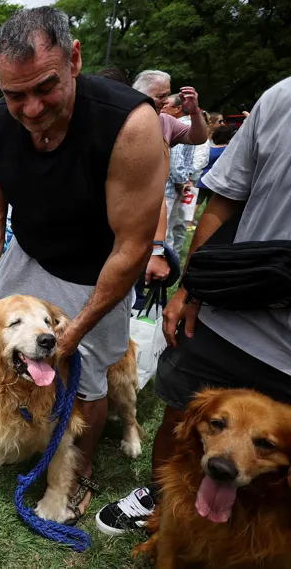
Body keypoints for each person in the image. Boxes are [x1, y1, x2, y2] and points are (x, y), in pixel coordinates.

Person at [0, 7, 166, 522]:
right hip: (29, 252)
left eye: (45, 88)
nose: (31, 109)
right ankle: (12, 435)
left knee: (86, 380)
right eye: (16, 95)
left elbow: (132, 247)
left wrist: (73, 331)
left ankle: (76, 475)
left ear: (75, 59)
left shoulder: (131, 125)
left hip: (95, 268)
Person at [96, 76, 291, 535]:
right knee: (182, 413)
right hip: (230, 311)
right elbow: (224, 198)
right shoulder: (281, 97)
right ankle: (161, 496)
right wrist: (192, 289)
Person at [131, 70, 207, 284]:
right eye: (160, 96)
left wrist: (194, 112)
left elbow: (198, 137)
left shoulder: (165, 121)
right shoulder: (124, 117)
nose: (166, 101)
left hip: (156, 202)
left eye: (167, 95)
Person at [161, 94, 196, 251]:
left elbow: (175, 159)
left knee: (164, 230)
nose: (162, 106)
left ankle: (163, 261)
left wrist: (182, 182)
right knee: (172, 226)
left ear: (178, 109)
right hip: (178, 185)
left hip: (171, 186)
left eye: (166, 105)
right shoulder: (189, 125)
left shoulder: (178, 126)